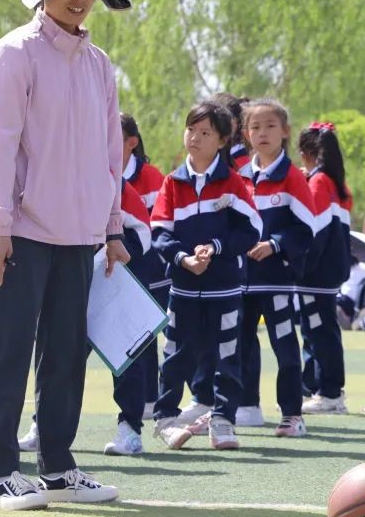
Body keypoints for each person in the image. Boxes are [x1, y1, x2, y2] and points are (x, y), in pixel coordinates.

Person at [0, 0, 131, 510]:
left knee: (65, 355)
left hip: (81, 234)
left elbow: (109, 154)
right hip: (18, 230)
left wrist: (113, 228)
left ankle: (59, 468)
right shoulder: (13, 53)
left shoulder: (99, 64)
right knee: (8, 351)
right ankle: (1, 473)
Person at [149, 101, 261, 450]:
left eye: (205, 132)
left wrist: (215, 247)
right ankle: (166, 421)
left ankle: (223, 421)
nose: (195, 138)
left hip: (224, 289)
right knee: (175, 354)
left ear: (223, 140)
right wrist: (183, 259)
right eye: (191, 130)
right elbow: (159, 232)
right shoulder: (172, 183)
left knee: (227, 355)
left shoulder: (232, 183)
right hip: (182, 289)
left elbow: (252, 230)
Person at [238, 99, 315, 438]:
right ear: (245, 134)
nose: (262, 133)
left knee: (285, 346)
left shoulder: (293, 177)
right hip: (241, 281)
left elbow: (307, 228)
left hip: (276, 281)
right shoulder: (239, 176)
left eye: (270, 126)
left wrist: (275, 245)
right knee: (240, 345)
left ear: (285, 131)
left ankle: (292, 414)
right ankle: (246, 406)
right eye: (255, 127)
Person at [298, 122, 354, 414]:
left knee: (319, 330)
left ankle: (330, 392)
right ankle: (313, 386)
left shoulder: (319, 182)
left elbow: (314, 229)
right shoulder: (336, 182)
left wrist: (301, 264)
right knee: (317, 329)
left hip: (316, 270)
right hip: (331, 267)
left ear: (306, 153)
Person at [121, 112, 169, 422]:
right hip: (112, 274)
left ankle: (152, 400)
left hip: (149, 272)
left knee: (147, 337)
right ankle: (144, 400)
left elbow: (158, 225)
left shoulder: (151, 177)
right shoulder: (93, 171)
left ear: (132, 142)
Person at [102, 180, 155, 455]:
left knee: (126, 357)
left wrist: (109, 252)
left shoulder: (116, 183)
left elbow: (143, 232)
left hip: (115, 279)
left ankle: (131, 430)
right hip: (69, 278)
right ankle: (44, 427)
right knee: (59, 358)